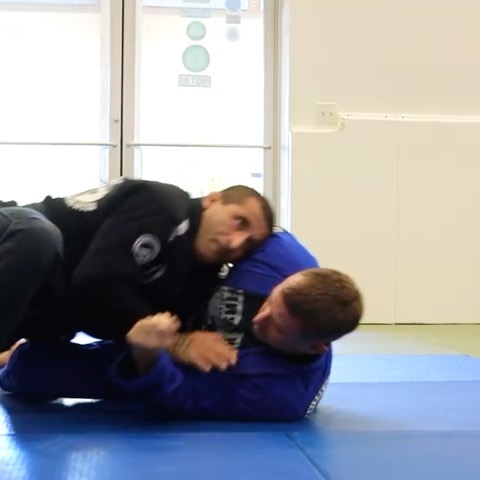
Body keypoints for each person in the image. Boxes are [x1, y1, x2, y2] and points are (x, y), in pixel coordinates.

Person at [0, 230, 363, 421]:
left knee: (28, 374)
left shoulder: (278, 394)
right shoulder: (284, 257)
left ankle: (10, 357)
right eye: (270, 302)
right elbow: (234, 227)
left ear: (316, 346)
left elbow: (180, 396)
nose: (259, 319)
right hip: (174, 289)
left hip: (156, 357)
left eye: (276, 328)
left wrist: (149, 353)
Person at [0, 178, 273, 351]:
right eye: (239, 221)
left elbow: (137, 332)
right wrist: (177, 343)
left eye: (249, 244)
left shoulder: (200, 279)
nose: (235, 243)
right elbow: (96, 284)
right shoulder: (166, 205)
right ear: (212, 200)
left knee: (48, 349)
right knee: (38, 237)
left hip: (40, 297)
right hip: (13, 234)